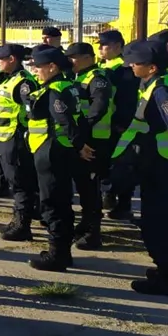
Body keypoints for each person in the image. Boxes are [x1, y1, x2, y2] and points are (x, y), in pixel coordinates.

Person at [114, 40, 168, 295]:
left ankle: (164, 278)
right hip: (153, 165)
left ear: (152, 67)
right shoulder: (151, 87)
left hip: (161, 168)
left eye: (136, 63)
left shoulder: (161, 92)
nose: (131, 66)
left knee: (156, 224)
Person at [26, 45, 83, 272]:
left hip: (51, 150)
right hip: (58, 150)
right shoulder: (68, 86)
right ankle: (63, 252)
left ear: (52, 67)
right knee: (62, 201)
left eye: (38, 67)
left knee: (52, 203)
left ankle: (57, 255)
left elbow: (65, 121)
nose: (35, 71)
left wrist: (79, 145)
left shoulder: (55, 91)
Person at [0, 44, 39, 242]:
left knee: (21, 183)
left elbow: (31, 110)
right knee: (14, 182)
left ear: (12, 59)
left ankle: (23, 225)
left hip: (16, 138)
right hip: (5, 137)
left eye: (1, 59)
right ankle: (17, 219)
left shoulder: (23, 82)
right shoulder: (10, 79)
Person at [66, 42, 112, 250]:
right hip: (84, 139)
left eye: (73, 57)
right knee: (83, 185)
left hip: (95, 140)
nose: (70, 61)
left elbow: (99, 107)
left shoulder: (97, 78)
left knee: (91, 188)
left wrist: (82, 129)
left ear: (87, 57)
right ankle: (85, 224)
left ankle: (93, 233)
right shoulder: (80, 77)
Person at [98, 29, 140, 220]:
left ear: (117, 46)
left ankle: (123, 204)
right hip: (104, 128)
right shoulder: (103, 66)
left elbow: (126, 100)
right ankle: (112, 198)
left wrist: (121, 123)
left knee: (122, 167)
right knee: (109, 166)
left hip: (118, 127)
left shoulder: (124, 70)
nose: (100, 49)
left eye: (104, 45)